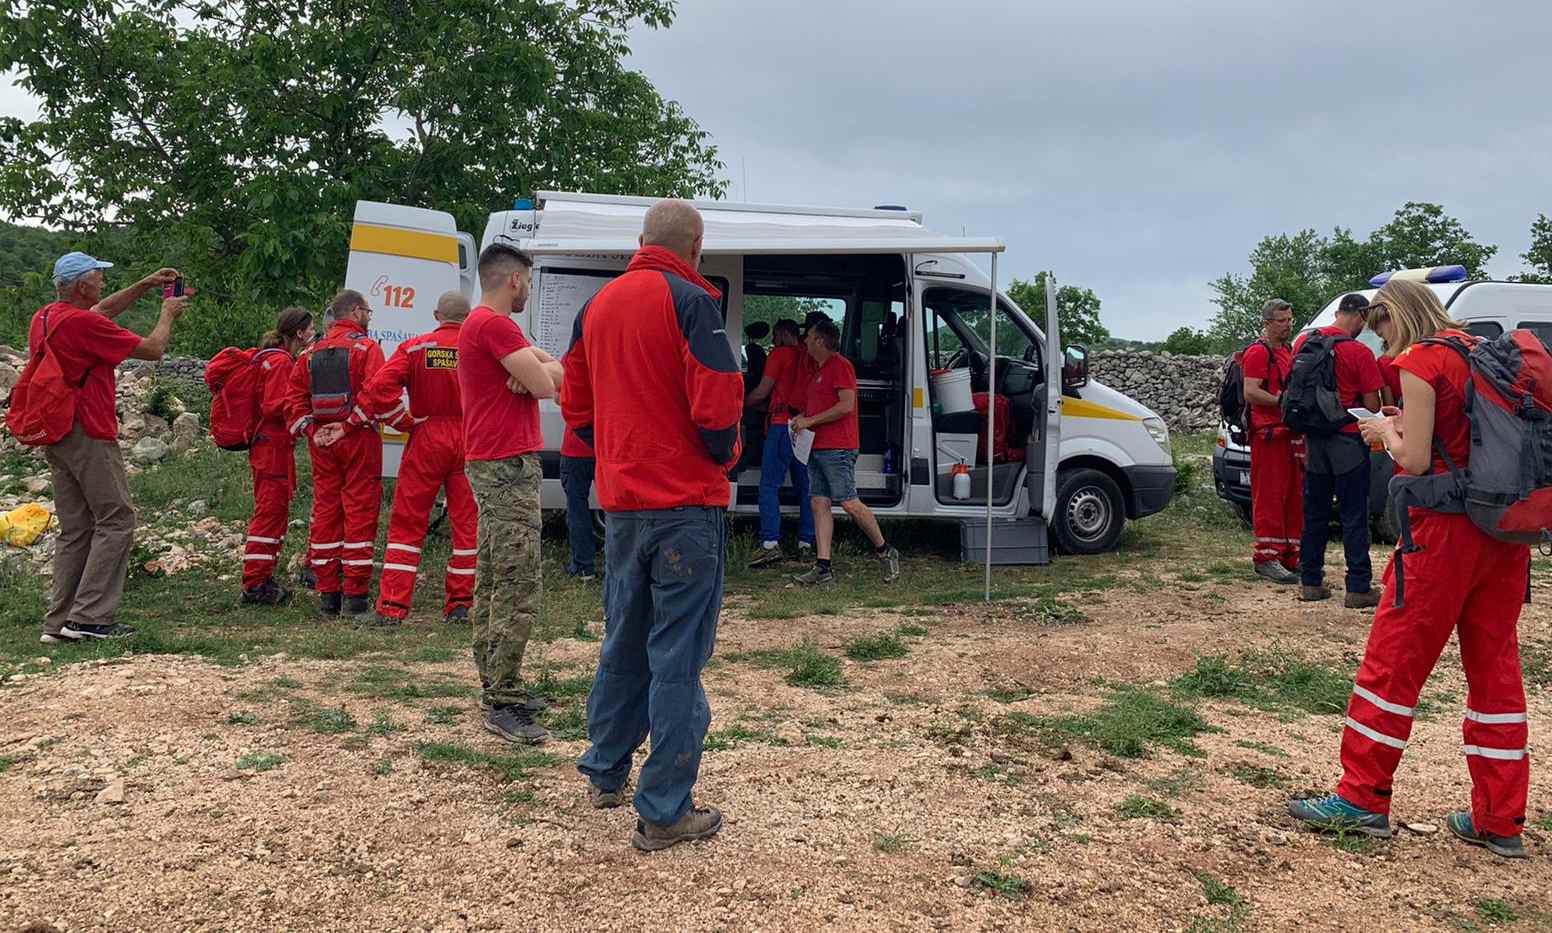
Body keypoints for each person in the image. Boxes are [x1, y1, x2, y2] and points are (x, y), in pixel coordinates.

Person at [1289, 278, 1532, 859]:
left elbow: (1416, 459)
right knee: (1496, 670)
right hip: (1504, 532)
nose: (1386, 346)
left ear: (1396, 316)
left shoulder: (1423, 359)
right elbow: (1465, 437)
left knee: (1393, 661)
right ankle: (1500, 818)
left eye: (1385, 331)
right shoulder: (1481, 352)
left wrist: (1383, 430)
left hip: (1442, 534)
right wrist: (1409, 422)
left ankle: (1361, 798)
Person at [566, 199, 743, 852]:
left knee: (623, 638)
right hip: (685, 508)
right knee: (676, 657)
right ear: (696, 248)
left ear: (641, 241)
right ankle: (665, 810)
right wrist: (722, 457)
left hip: (623, 507)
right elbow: (719, 404)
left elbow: (576, 404)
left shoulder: (596, 307)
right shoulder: (693, 303)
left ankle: (605, 770)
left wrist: (616, 452)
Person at [34, 253, 187, 643]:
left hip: (58, 429)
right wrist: (167, 313)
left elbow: (101, 309)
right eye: (99, 277)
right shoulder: (84, 324)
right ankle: (89, 617)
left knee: (75, 528)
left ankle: (59, 623)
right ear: (82, 285)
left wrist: (145, 283)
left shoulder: (47, 317)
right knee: (117, 519)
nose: (103, 282)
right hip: (89, 430)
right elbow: (152, 349)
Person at [459, 243, 564, 744]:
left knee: (493, 575)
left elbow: (554, 372)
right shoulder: (495, 327)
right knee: (517, 579)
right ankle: (503, 697)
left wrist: (538, 374)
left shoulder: (485, 325)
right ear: (515, 280)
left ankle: (495, 678)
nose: (528, 291)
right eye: (528, 281)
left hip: (494, 462)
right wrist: (538, 375)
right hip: (506, 465)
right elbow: (547, 384)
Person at [358, 291, 478, 625]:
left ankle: (392, 606)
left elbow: (378, 389)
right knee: (467, 524)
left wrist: (402, 421)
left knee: (408, 522)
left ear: (437, 315)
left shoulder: (415, 348)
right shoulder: (478, 348)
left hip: (426, 436)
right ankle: (461, 605)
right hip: (469, 438)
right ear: (468, 317)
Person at [283, 289, 385, 620]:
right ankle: (355, 599)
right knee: (360, 513)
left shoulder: (309, 354)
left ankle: (328, 596)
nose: (368, 317)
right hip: (358, 441)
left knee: (326, 513)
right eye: (367, 311)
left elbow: (293, 402)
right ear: (355, 312)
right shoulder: (367, 349)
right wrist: (349, 425)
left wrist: (313, 431)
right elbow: (378, 395)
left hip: (322, 444)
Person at [789, 317, 900, 586]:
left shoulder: (840, 366)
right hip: (817, 445)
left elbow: (846, 406)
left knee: (849, 502)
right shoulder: (818, 370)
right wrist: (802, 418)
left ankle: (885, 550)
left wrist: (810, 421)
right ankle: (823, 567)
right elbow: (821, 406)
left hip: (838, 447)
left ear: (820, 340)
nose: (805, 341)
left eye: (808, 336)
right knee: (819, 503)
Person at [1290, 293, 1383, 608]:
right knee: (1354, 514)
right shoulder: (1359, 352)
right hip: (1348, 441)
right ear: (1359, 316)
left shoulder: (1304, 344)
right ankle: (1358, 587)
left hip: (1314, 440)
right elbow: (1372, 404)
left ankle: (1310, 582)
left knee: (1314, 513)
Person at [239, 306, 315, 607]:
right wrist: (305, 407)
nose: (313, 334)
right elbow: (274, 406)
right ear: (299, 333)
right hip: (272, 446)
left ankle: (261, 577)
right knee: (269, 513)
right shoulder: (282, 362)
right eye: (310, 329)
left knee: (273, 511)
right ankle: (255, 584)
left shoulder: (270, 357)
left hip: (270, 445)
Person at [744, 317, 816, 567]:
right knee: (806, 487)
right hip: (804, 426)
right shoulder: (809, 355)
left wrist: (742, 403)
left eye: (775, 335)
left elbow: (763, 391)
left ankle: (770, 543)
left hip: (780, 426)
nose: (773, 341)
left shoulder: (779, 355)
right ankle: (806, 543)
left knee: (769, 485)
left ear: (785, 334)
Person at [1241, 299, 1302, 584]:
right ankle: (1266, 557)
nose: (1288, 325)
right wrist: (1282, 402)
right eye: (1281, 320)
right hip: (1268, 435)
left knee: (1292, 496)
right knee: (1269, 496)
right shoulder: (1258, 352)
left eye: (1290, 319)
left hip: (1287, 433)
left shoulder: (1287, 351)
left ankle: (1289, 556)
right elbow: (1251, 392)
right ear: (1267, 323)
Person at [559, 424, 598, 581]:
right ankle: (619, 566)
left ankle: (583, 567)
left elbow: (566, 407)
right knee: (615, 512)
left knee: (577, 511)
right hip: (604, 448)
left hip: (575, 449)